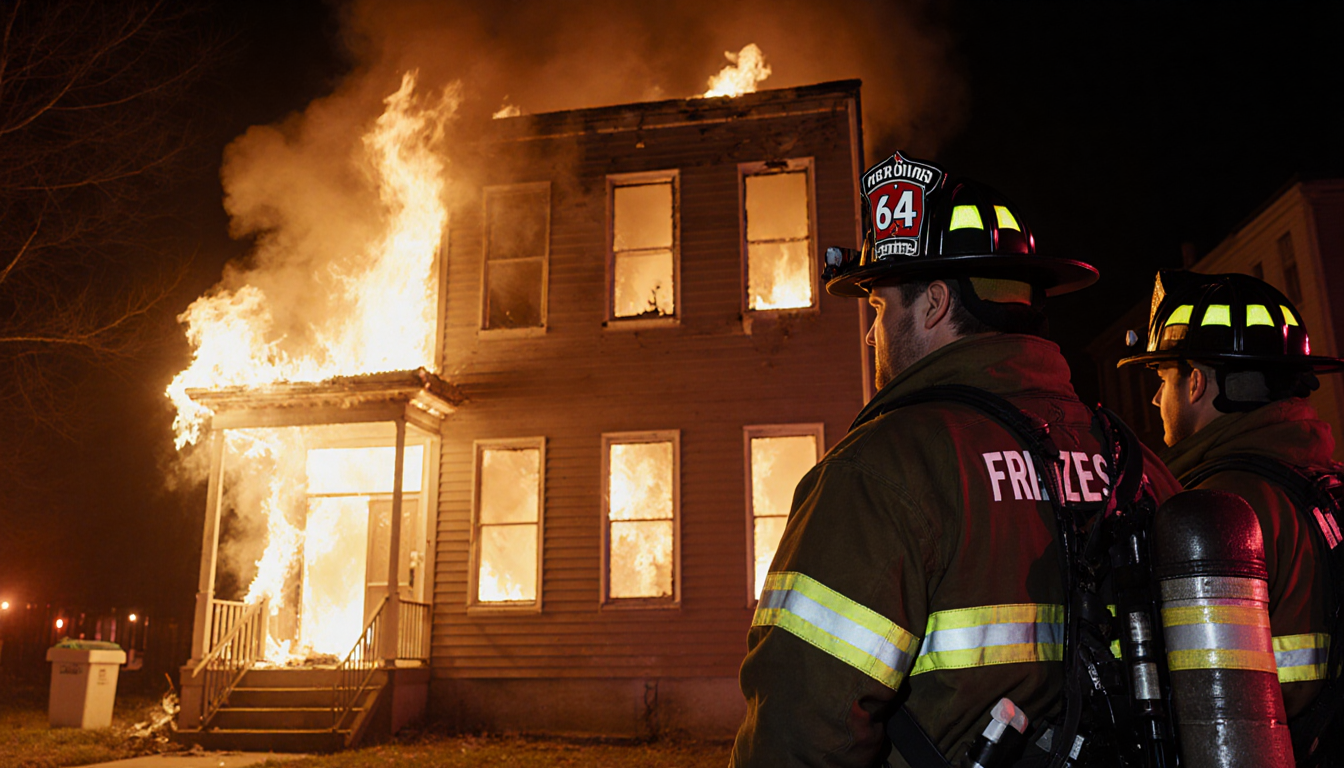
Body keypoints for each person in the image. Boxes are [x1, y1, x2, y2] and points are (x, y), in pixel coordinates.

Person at [730, 151, 1180, 767]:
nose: (871, 334)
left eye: (881, 308)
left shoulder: (878, 471)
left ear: (935, 303)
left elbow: (800, 733)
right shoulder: (1138, 465)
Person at [1117, 270, 1340, 731]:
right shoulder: (1326, 484)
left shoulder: (1214, 508)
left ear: (1195, 383)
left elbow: (1204, 699)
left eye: (1163, 376)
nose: (1158, 398)